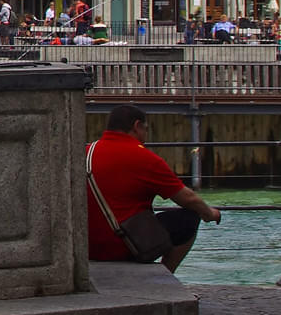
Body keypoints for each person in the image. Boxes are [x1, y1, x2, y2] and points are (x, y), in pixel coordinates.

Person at [86, 104, 221, 272]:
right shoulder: (144, 158)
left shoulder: (86, 152)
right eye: (146, 130)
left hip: (87, 246)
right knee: (189, 218)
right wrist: (210, 213)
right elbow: (187, 198)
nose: (145, 136)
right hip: (123, 245)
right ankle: (164, 278)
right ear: (137, 126)